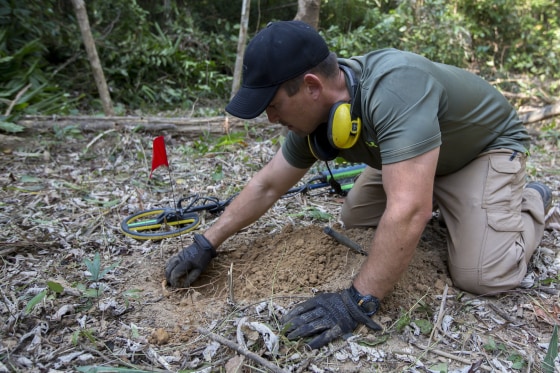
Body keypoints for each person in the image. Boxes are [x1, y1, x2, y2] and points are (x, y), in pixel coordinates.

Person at [165, 20, 553, 349]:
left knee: (482, 276)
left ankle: (532, 200)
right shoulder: (313, 117)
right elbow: (268, 184)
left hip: (481, 152)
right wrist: (206, 242)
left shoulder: (395, 88)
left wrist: (357, 301)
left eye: (273, 106)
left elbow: (408, 211)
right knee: (357, 215)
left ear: (312, 87)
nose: (270, 120)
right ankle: (440, 197)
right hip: (421, 158)